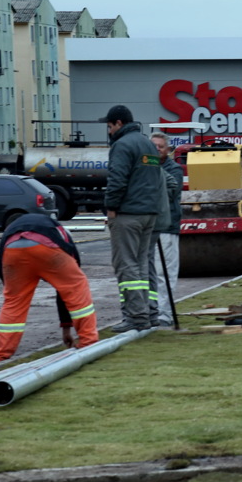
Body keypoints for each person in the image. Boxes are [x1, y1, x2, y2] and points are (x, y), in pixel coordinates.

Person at [0, 213, 98, 363]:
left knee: (14, 302)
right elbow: (67, 289)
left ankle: (1, 356)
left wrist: (12, 289)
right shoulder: (61, 232)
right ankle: (89, 342)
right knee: (76, 288)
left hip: (13, 252)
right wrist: (66, 327)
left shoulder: (10, 231)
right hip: (47, 247)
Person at [101, 104, 165, 333]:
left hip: (128, 214)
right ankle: (150, 313)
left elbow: (117, 179)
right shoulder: (147, 144)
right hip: (149, 213)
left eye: (110, 126)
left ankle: (136, 317)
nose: (109, 131)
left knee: (126, 265)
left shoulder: (122, 145)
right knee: (142, 264)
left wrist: (111, 207)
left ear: (119, 123)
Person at [147, 131, 183, 328]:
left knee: (165, 273)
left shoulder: (174, 169)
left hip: (167, 227)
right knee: (149, 273)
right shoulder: (143, 167)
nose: (157, 150)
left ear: (168, 150)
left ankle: (165, 313)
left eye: (160, 147)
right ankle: (151, 311)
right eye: (153, 146)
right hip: (147, 227)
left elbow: (170, 192)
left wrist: (153, 169)